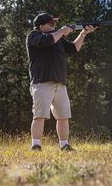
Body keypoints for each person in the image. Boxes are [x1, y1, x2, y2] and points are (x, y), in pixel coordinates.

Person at [26, 13, 96, 151]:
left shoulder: (57, 38)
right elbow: (46, 41)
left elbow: (73, 48)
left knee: (63, 116)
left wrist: (83, 34)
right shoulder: (33, 36)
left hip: (60, 83)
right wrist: (62, 31)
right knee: (40, 115)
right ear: (41, 26)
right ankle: (36, 145)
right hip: (42, 83)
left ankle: (64, 145)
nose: (54, 25)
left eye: (55, 23)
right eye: (51, 23)